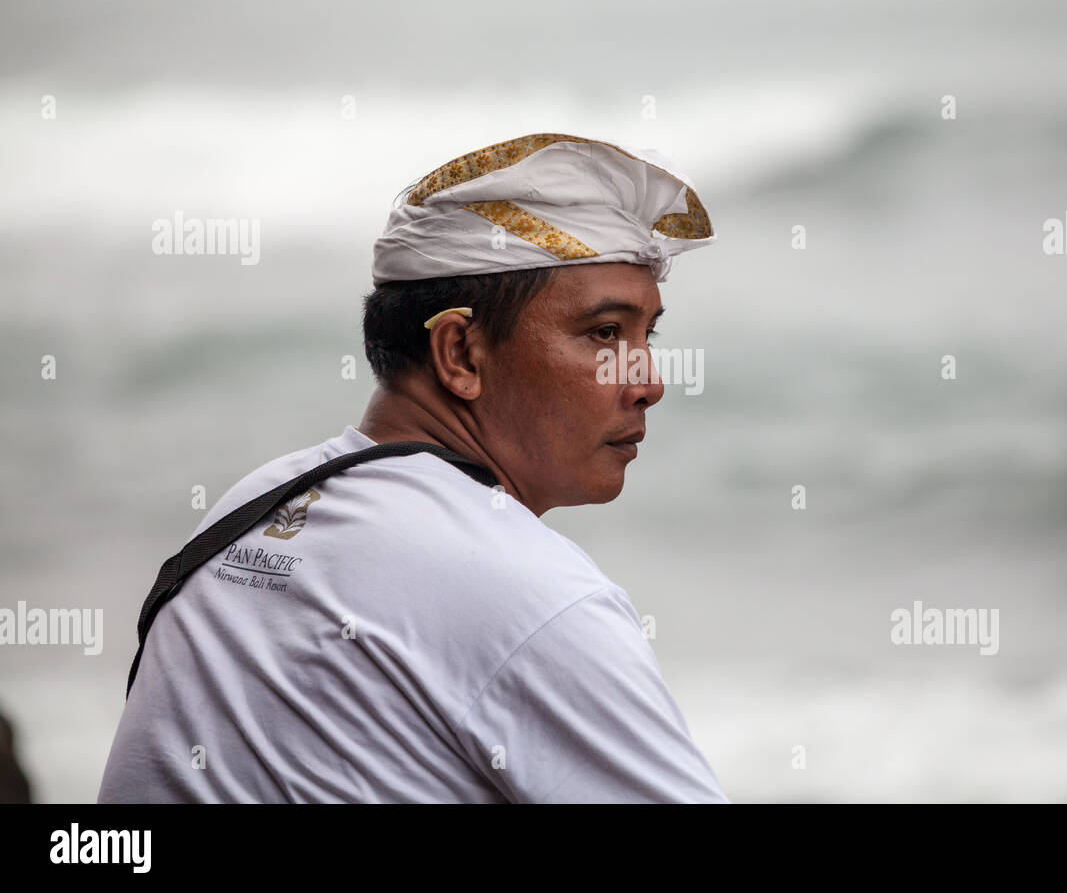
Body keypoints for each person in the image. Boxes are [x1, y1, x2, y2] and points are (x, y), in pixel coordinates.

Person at [97, 133, 729, 803]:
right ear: (459, 353)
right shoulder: (533, 596)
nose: (648, 381)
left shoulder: (251, 506)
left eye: (646, 335)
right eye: (604, 333)